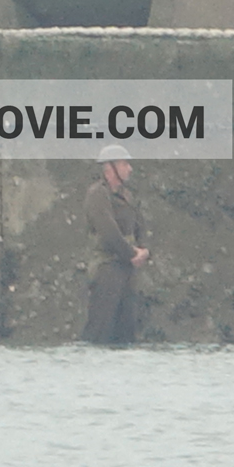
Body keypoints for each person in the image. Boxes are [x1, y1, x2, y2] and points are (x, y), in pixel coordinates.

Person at [83, 143, 149, 344]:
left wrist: (144, 250)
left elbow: (139, 225)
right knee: (100, 329)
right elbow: (108, 231)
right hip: (107, 268)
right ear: (110, 167)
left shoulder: (126, 195)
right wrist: (131, 253)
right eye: (124, 164)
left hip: (126, 269)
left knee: (126, 330)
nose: (129, 168)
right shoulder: (97, 194)